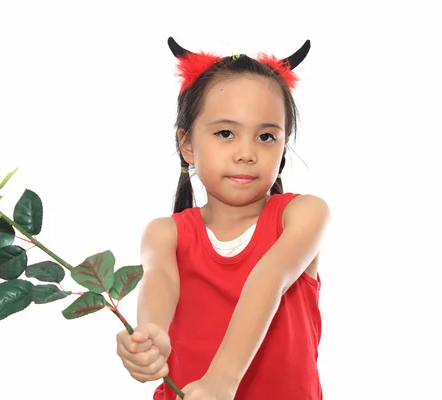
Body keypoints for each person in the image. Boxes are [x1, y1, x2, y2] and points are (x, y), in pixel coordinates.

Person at [116, 37, 330, 400]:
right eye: (225, 133)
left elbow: (269, 278)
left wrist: (222, 380)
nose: (246, 153)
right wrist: (151, 333)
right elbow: (159, 281)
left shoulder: (304, 215)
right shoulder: (165, 233)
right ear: (187, 145)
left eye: (266, 136)